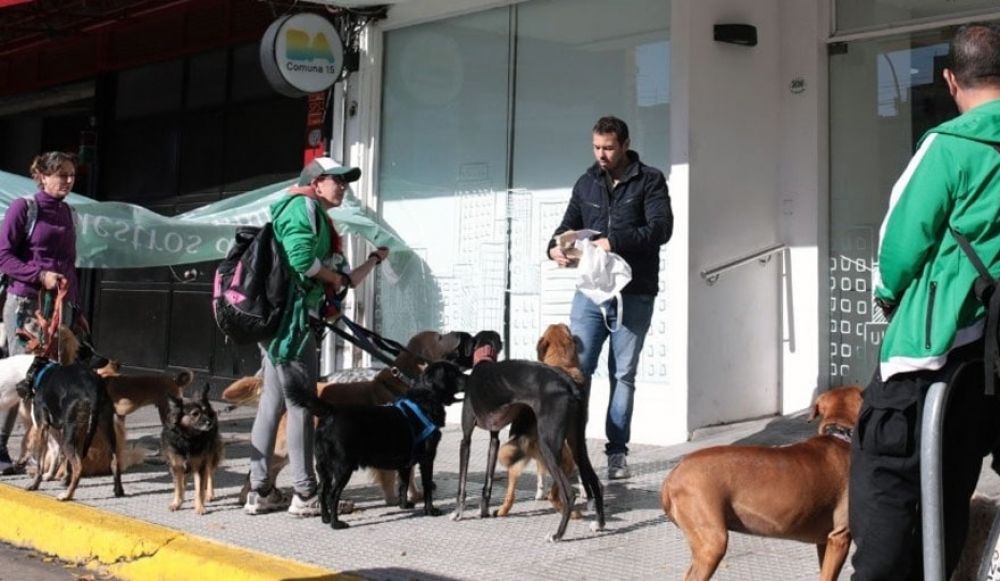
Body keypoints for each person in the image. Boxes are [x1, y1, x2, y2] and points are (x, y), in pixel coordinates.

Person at [849, 23, 1000, 580]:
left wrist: (888, 301)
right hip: (988, 370)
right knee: (950, 496)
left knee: (886, 497)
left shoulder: (949, 146)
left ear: (950, 78)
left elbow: (897, 252)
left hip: (932, 361)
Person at [243, 156, 388, 516]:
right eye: (336, 180)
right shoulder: (302, 207)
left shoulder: (312, 212)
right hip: (293, 325)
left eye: (345, 181)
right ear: (316, 182)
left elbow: (340, 277)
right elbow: (301, 261)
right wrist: (334, 279)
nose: (343, 187)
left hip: (288, 324)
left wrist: (372, 261)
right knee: (302, 407)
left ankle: (261, 490)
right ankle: (306, 494)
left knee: (273, 404)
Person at [547, 116, 672, 480]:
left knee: (624, 374)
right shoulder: (586, 182)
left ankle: (617, 452)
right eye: (596, 147)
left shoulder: (649, 180)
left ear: (625, 144)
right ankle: (571, 448)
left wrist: (614, 241)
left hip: (634, 292)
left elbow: (661, 229)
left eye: (608, 148)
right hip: (590, 290)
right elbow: (565, 226)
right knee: (575, 371)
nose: (601, 155)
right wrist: (553, 248)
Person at [0, 151, 78, 475]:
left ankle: (41, 454)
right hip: (26, 307)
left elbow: (70, 265)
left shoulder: (69, 213)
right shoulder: (25, 208)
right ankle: (8, 448)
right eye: (61, 174)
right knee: (24, 381)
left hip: (60, 310)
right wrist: (39, 275)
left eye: (72, 175)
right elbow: (3, 256)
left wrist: (78, 307)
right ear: (42, 176)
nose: (68, 181)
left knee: (49, 385)